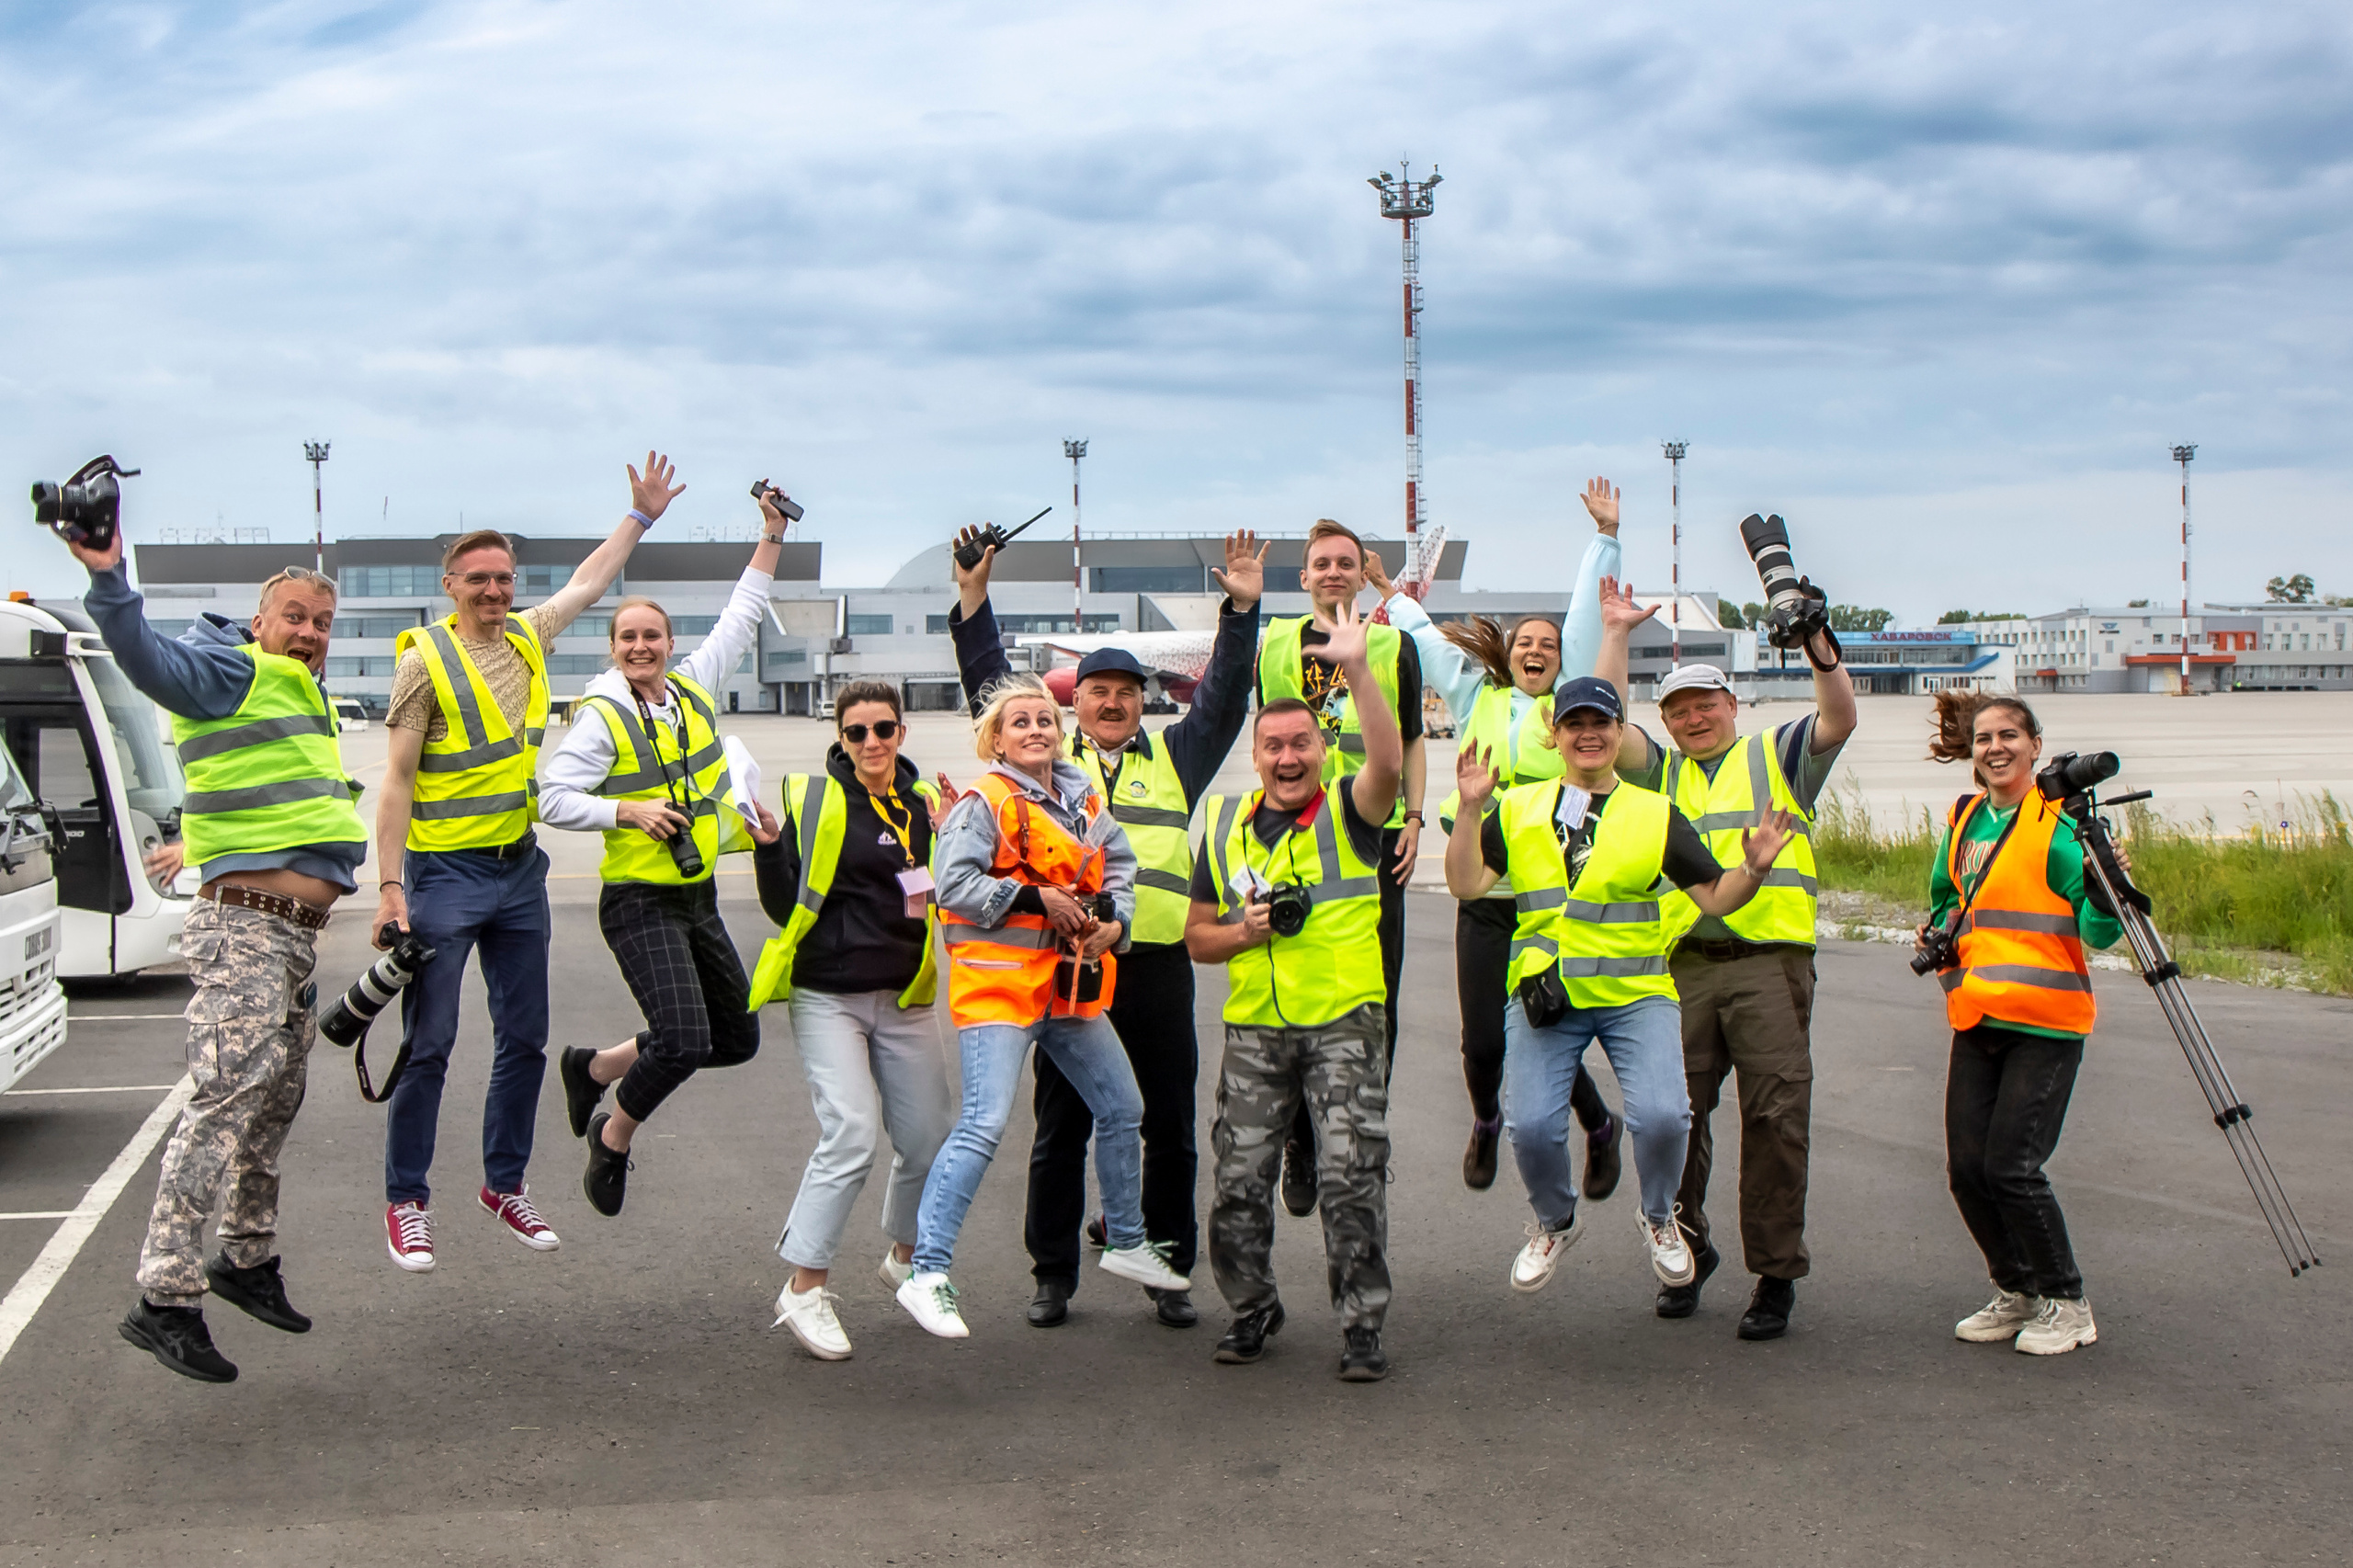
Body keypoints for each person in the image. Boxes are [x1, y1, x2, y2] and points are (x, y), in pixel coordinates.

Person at [68, 527, 366, 1383]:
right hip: (244, 931)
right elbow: (147, 658)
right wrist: (109, 580)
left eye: (321, 623)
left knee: (273, 1100)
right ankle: (164, 1298)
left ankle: (246, 1257)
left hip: (292, 940)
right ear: (259, 621)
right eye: (294, 618)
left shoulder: (293, 694)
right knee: (222, 1104)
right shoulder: (233, 670)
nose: (309, 633)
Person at [947, 528, 1265, 1329]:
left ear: (1144, 699)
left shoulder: (1179, 757)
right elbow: (995, 695)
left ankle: (1165, 1265)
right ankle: (1053, 1272)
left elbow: (1225, 696)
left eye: (1127, 689)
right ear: (1073, 702)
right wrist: (974, 601)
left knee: (1169, 1123)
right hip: (1066, 967)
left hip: (1152, 962)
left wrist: (1242, 612)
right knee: (1062, 1126)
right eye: (1098, 691)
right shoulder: (1046, 764)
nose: (1114, 700)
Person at [371, 454, 673, 1272]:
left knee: (527, 1041)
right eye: (479, 580)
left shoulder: (528, 637)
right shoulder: (422, 662)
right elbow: (395, 784)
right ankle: (408, 1201)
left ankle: (504, 1184)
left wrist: (640, 518)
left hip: (516, 873)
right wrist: (390, 887)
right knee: (429, 1042)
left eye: (504, 578)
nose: (495, 591)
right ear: (450, 583)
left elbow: (587, 582)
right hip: (442, 877)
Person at [1444, 672, 1793, 1311]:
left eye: (1600, 723)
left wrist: (1754, 868)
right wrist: (1470, 809)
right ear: (1554, 736)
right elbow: (1467, 884)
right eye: (1574, 724)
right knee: (1531, 1127)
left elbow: (1716, 897)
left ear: (1618, 733)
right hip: (1549, 997)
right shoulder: (1517, 810)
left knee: (1665, 1116)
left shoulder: (1654, 812)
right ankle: (1554, 1223)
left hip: (1636, 993)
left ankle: (1659, 1217)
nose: (1587, 734)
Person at [1597, 566, 1855, 1340]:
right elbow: (1606, 721)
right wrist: (1615, 634)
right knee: (1674, 1121)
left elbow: (1838, 718)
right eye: (1678, 707)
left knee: (1777, 1117)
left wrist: (1816, 642)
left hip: (1767, 965)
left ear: (1730, 706)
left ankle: (1774, 1275)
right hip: (1680, 969)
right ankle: (1688, 1251)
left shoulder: (1777, 755)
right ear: (1667, 720)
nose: (1693, 716)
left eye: (1706, 702)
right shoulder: (1658, 778)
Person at [899, 675, 1190, 1339]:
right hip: (1002, 991)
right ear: (995, 739)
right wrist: (1035, 901)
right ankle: (927, 1272)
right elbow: (953, 884)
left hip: (1064, 990)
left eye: (1043, 720)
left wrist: (1115, 922)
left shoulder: (1082, 800)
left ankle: (1126, 1240)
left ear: (1060, 734)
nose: (1035, 730)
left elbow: (1119, 870)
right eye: (1020, 722)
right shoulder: (986, 801)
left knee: (1124, 1107)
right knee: (983, 1123)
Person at [1367, 479, 1625, 1195]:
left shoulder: (1569, 715)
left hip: (1549, 895)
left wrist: (1604, 537)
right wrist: (1391, 592)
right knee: (1482, 1042)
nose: (1537, 650)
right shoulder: (1478, 695)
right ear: (1508, 656)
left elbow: (1583, 614)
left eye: (1548, 645)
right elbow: (1423, 636)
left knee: (1545, 1031)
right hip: (1481, 885)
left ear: (1559, 658)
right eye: (1525, 643)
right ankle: (1485, 1119)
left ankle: (1600, 1127)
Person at [538, 494, 784, 1215]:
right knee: (681, 1041)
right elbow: (552, 798)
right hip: (639, 902)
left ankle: (598, 1065)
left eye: (652, 636)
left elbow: (741, 615)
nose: (640, 647)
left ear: (670, 644)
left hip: (697, 893)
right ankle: (612, 1137)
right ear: (612, 649)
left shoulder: (692, 689)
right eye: (627, 638)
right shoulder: (602, 716)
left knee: (734, 1038)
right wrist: (625, 809)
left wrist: (771, 536)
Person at [1187, 598, 1401, 1381]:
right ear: (1256, 753)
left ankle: (1362, 1324)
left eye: (1300, 744)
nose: (1287, 757)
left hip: (1343, 1021)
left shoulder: (1352, 808)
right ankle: (1252, 1307)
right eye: (1272, 745)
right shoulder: (1221, 827)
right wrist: (1243, 933)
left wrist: (1357, 669)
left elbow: (1388, 762)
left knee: (1350, 1178)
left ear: (1319, 748)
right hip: (1255, 1030)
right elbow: (1197, 938)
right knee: (1239, 1182)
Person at [745, 679, 955, 1360]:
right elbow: (784, 905)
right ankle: (804, 1287)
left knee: (927, 1138)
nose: (871, 743)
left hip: (904, 992)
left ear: (902, 733)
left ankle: (904, 1252)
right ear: (840, 737)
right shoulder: (814, 798)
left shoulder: (927, 804)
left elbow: (946, 891)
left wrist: (956, 837)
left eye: (883, 729)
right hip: (828, 992)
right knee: (852, 1133)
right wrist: (771, 848)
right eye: (856, 732)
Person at [1920, 691, 2121, 1357]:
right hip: (1976, 1013)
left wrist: (2106, 885)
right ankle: (2018, 1290)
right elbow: (1946, 897)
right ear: (1971, 753)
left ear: (2036, 746)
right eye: (1984, 738)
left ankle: (2068, 1301)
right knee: (1967, 1170)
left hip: (2046, 1019)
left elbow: (2099, 929)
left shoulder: (2058, 827)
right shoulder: (1965, 818)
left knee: (2013, 1167)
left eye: (2010, 735)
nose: (1996, 747)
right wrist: (1939, 936)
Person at [1254, 517, 1426, 1219]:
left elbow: (1412, 740)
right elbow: (1263, 739)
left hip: (1372, 835)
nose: (1332, 572)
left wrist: (1414, 817)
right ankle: (1301, 1137)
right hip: (1295, 835)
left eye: (1344, 563)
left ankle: (1360, 1140)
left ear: (1363, 574)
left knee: (1375, 996)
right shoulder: (1274, 647)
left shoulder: (1392, 645)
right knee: (1292, 989)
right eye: (1320, 563)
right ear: (1305, 578)